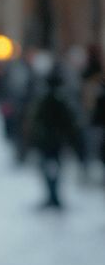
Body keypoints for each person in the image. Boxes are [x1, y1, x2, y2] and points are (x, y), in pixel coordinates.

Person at [26, 65, 81, 210]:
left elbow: (36, 120)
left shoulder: (48, 99)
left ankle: (52, 195)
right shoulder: (59, 100)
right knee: (54, 168)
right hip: (53, 141)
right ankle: (53, 196)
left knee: (49, 168)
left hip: (49, 141)